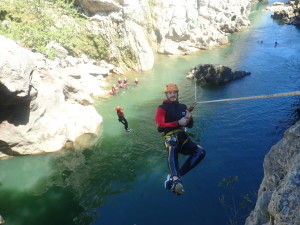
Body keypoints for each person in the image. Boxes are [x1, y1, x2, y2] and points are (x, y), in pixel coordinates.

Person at [155, 83, 206, 195]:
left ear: (177, 93)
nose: (172, 95)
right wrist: (178, 122)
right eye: (170, 93)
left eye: (174, 92)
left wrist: (189, 118)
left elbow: (190, 125)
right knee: (173, 145)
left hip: (183, 137)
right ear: (166, 95)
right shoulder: (162, 108)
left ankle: (176, 178)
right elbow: (160, 126)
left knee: (200, 151)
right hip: (170, 136)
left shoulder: (183, 107)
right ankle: (175, 178)